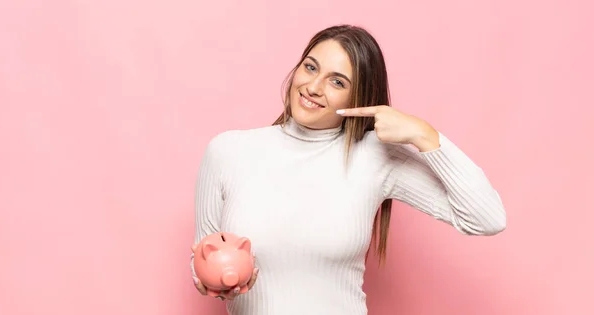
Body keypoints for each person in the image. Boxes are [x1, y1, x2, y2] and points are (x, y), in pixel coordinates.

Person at [190, 24, 506, 315]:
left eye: (337, 81)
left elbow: (486, 218)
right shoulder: (228, 151)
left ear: (359, 97)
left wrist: (424, 135)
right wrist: (214, 282)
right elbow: (203, 254)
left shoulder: (375, 156)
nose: (313, 87)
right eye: (310, 67)